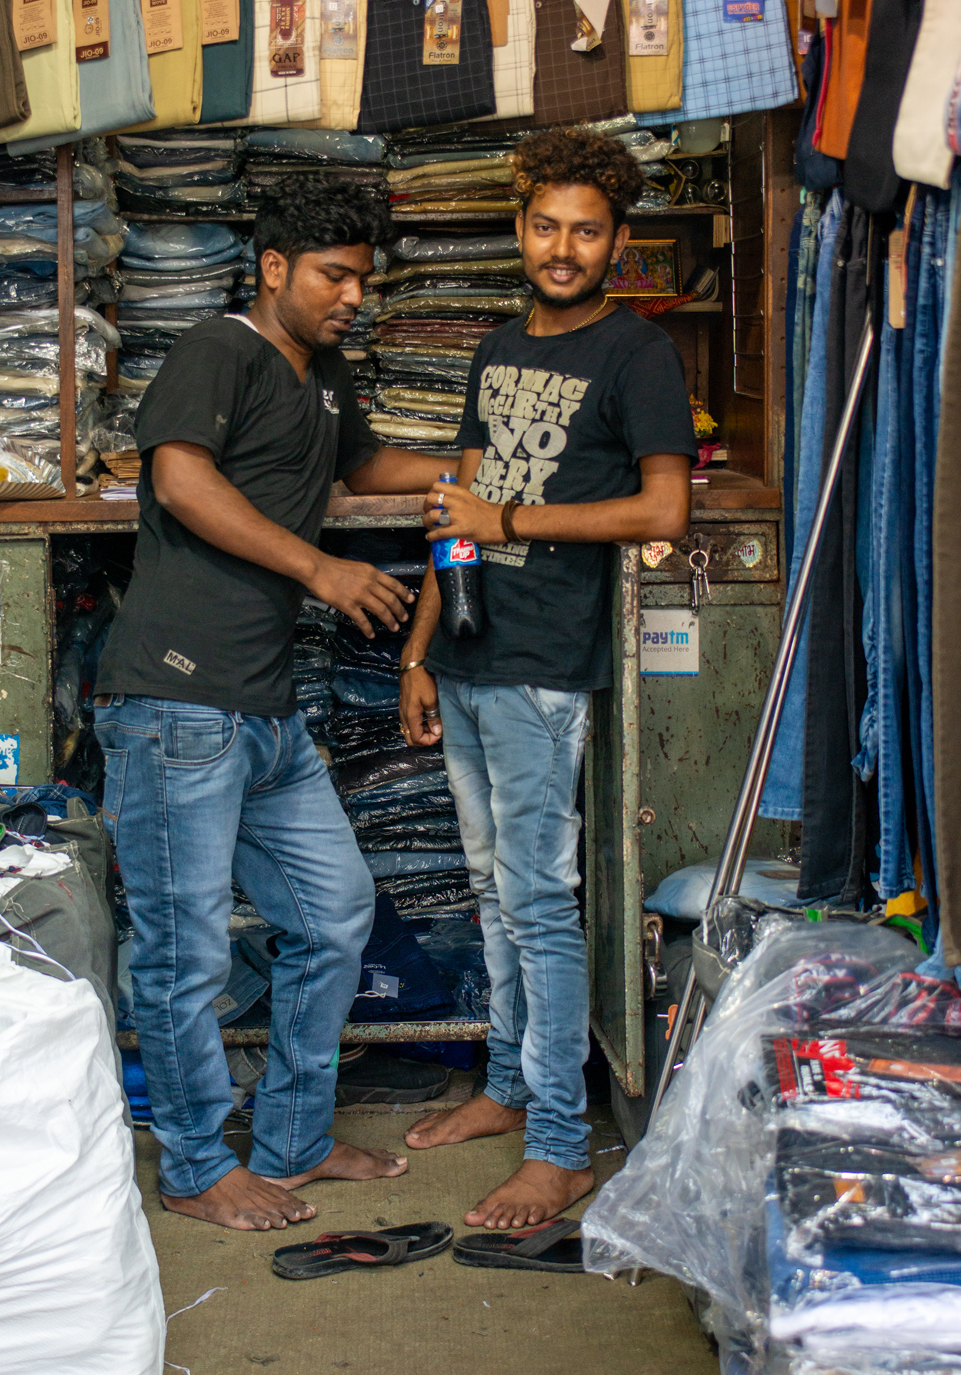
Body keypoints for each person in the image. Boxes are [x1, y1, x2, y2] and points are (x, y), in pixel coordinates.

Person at [94, 177, 451, 1232]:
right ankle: (198, 1166)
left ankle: (291, 1138)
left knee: (335, 914)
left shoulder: (326, 374)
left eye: (360, 281)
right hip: (178, 701)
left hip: (264, 714)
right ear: (273, 269)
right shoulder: (219, 350)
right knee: (185, 949)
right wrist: (322, 571)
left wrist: (466, 466)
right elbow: (178, 482)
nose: (351, 298)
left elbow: (364, 465)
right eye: (333, 277)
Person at [398, 128, 698, 1230]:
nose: (561, 247)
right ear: (518, 230)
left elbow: (663, 511)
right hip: (470, 651)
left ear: (617, 243)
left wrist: (509, 518)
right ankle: (511, 1088)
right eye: (544, 226)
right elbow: (454, 514)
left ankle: (560, 1147)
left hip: (540, 663)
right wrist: (420, 648)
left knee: (535, 900)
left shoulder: (636, 354)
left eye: (585, 230)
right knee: (491, 892)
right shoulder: (490, 349)